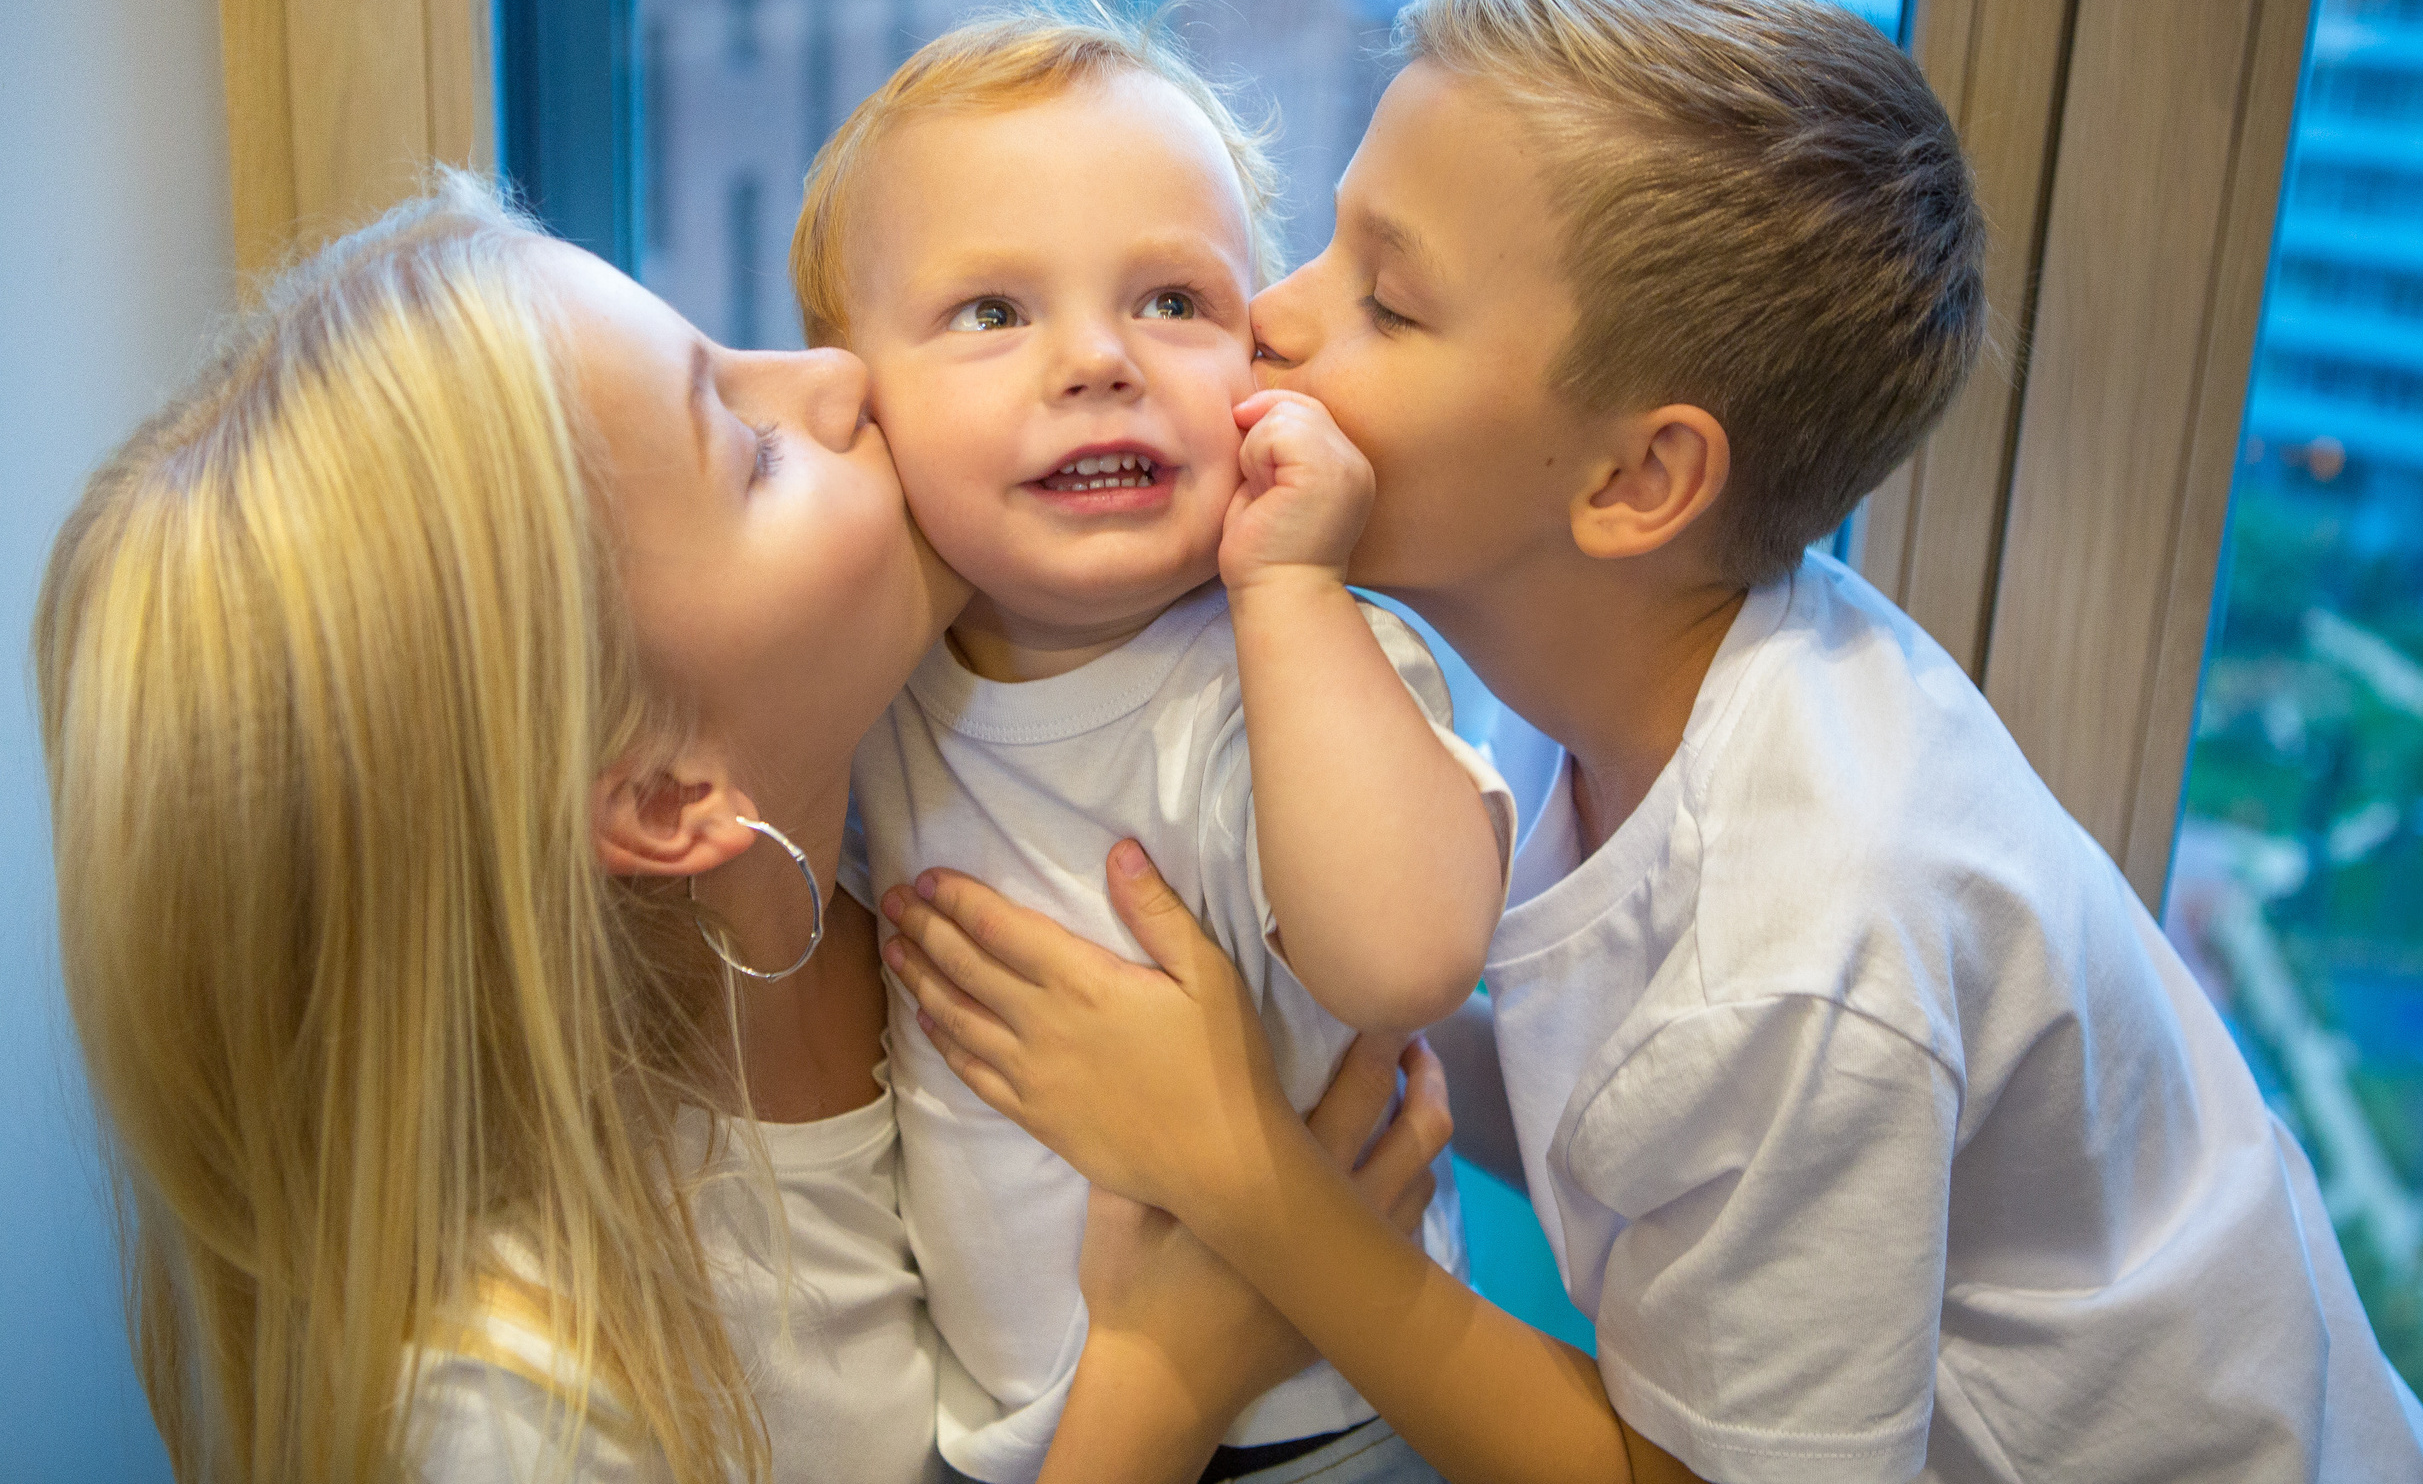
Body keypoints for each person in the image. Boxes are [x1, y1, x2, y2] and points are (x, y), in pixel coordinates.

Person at [877, 0, 2423, 1484]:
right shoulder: (1672, 674)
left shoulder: (1801, 934)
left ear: (1638, 483)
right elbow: (1616, 1076)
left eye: (1386, 299)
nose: (1271, 324)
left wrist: (1241, 1172)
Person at [36, 173, 1449, 1484]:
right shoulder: (511, 1409)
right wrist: (1163, 1384)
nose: (841, 380)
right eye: (751, 453)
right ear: (665, 799)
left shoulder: (897, 827)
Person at [788, 3, 1510, 1484]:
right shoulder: (874, 685)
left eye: (1174, 302)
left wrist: (1298, 587)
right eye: (992, 314)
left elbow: (1408, 961)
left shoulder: (1296, 658)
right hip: (1012, 1438)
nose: (1099, 360)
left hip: (1324, 1427)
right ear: (852, 395)